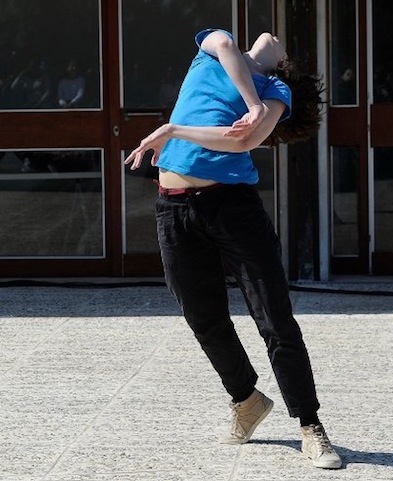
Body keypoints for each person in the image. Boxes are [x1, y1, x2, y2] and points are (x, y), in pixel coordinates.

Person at [125, 28, 341, 470]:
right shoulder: (213, 52)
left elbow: (243, 140)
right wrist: (252, 103)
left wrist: (175, 128)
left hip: (232, 208)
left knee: (274, 317)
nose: (274, 35)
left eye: (282, 43)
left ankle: (310, 426)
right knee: (202, 316)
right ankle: (245, 399)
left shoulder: (276, 88)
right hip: (173, 209)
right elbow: (226, 45)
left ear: (282, 63)